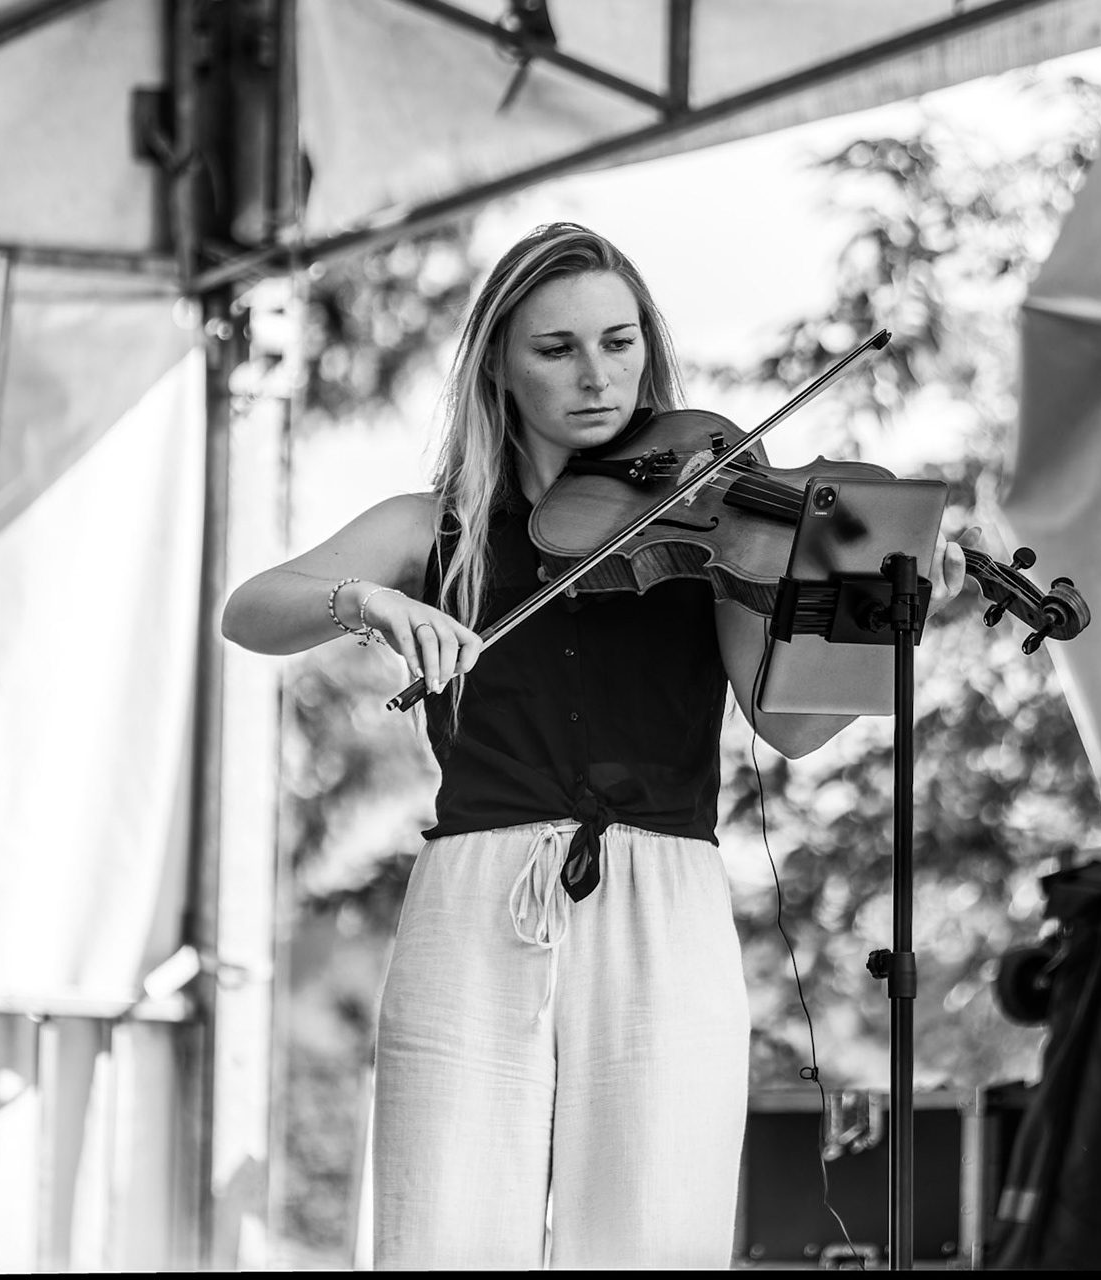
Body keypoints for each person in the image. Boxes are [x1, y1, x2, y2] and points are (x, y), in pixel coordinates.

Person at [221, 222, 966, 1269]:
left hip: (668, 896)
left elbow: (790, 726)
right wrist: (364, 603)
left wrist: (908, 623)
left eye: (619, 343)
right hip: (478, 889)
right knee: (444, 1222)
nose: (596, 376)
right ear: (499, 367)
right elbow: (253, 608)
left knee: (655, 1229)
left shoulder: (714, 522)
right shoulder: (435, 527)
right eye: (557, 349)